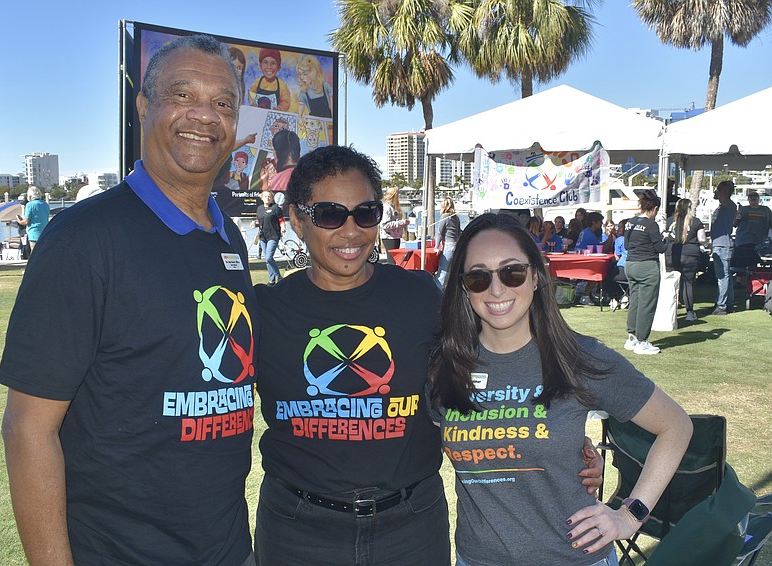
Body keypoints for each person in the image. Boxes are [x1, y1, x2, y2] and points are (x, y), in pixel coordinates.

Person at [253, 146, 603, 566]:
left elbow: (498, 361)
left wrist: (565, 443)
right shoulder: (263, 310)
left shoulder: (421, 296)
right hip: (298, 528)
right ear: (295, 218)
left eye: (365, 213)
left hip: (410, 526)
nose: (351, 232)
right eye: (330, 214)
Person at [0, 34, 257, 566]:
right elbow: (28, 428)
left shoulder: (227, 237)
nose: (204, 116)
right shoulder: (83, 238)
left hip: (228, 550)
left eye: (223, 103)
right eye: (182, 96)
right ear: (143, 107)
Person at [427, 212, 692, 566]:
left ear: (536, 276)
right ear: (463, 286)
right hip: (478, 559)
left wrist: (629, 515)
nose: (496, 289)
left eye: (512, 272)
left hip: (576, 558)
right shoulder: (445, 365)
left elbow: (676, 426)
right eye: (478, 277)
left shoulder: (579, 357)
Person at [624, 190, 667, 355]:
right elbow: (661, 248)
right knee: (647, 304)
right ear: (655, 208)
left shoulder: (630, 222)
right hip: (647, 266)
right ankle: (642, 341)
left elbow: (627, 245)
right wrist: (666, 238)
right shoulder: (651, 225)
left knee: (634, 301)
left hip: (630, 264)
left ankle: (632, 337)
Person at [666, 199, 707, 322]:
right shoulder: (696, 222)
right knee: (687, 284)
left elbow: (665, 236)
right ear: (689, 208)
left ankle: (669, 312)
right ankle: (690, 312)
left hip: (671, 254)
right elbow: (702, 239)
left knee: (671, 285)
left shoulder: (669, 221)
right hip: (690, 256)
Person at [709, 180, 738, 315]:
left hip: (722, 244)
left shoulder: (729, 205)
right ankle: (728, 302)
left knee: (722, 276)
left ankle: (722, 305)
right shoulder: (723, 207)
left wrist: (721, 191)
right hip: (719, 243)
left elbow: (723, 196)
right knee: (726, 276)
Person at [732, 190, 772, 273]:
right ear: (748, 200)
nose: (753, 200)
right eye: (751, 199)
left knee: (754, 262)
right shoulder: (743, 209)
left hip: (760, 242)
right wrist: (738, 216)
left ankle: (753, 278)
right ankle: (740, 280)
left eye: (755, 198)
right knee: (741, 262)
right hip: (744, 240)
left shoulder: (766, 210)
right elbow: (734, 224)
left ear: (758, 199)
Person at [260, 129, 300, 203]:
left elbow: (269, 203)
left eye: (274, 150)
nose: (274, 153)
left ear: (279, 152)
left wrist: (265, 181)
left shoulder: (280, 178)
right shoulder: (307, 173)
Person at [257, 189, 283, 285]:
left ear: (272, 198)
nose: (267, 198)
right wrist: (254, 223)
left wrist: (283, 227)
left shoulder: (275, 207)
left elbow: (281, 220)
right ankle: (272, 280)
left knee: (269, 257)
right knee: (267, 260)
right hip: (263, 236)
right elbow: (259, 221)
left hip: (273, 235)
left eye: (269, 196)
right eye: (265, 196)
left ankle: (279, 277)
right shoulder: (259, 208)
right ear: (262, 198)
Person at [16, 186, 50, 257]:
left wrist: (19, 220)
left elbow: (26, 222)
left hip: (34, 233)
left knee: (34, 254)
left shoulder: (30, 205)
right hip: (45, 232)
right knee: (43, 254)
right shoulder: (45, 204)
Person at [296, 54, 332, 120]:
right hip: (313, 125)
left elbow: (332, 103)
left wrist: (333, 119)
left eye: (305, 74)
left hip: (328, 122)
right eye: (300, 74)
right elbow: (301, 106)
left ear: (314, 72)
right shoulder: (304, 93)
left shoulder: (325, 86)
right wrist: (300, 118)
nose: (302, 77)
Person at [435, 197, 461, 287]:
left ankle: (437, 293)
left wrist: (436, 247)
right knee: (451, 271)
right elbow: (458, 232)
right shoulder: (456, 218)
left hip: (448, 246)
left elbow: (439, 233)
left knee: (443, 271)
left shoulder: (444, 217)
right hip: (456, 245)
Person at [380, 186, 409, 264]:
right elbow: (385, 225)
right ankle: (390, 276)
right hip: (389, 237)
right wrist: (401, 223)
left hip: (395, 236)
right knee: (392, 261)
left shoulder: (393, 207)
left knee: (395, 260)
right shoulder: (387, 207)